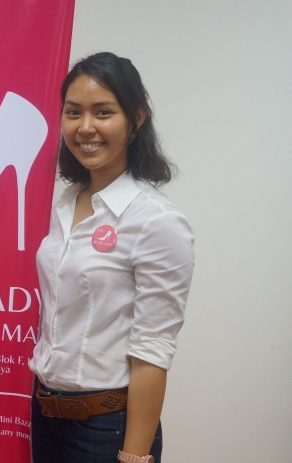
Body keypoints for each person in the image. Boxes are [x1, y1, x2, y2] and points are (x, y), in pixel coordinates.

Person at [29, 52, 195, 463]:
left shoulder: (157, 221)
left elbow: (152, 351)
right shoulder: (65, 205)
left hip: (107, 425)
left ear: (136, 119)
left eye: (103, 112)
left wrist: (134, 457)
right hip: (45, 411)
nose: (85, 127)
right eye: (73, 113)